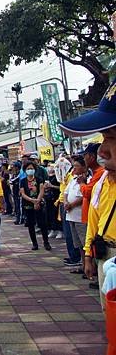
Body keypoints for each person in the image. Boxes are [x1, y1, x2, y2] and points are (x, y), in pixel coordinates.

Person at [59, 82, 116, 307]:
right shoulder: (104, 181)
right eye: (104, 138)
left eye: (111, 137)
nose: (102, 150)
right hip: (105, 254)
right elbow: (95, 219)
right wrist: (89, 255)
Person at [63, 156, 88, 274]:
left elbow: (85, 196)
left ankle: (89, 266)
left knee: (85, 243)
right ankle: (83, 265)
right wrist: (66, 203)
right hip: (71, 215)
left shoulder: (87, 179)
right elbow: (66, 192)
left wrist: (72, 204)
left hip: (80, 215)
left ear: (84, 167)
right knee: (77, 243)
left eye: (77, 166)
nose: (75, 168)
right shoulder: (73, 179)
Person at [20, 162, 51, 251]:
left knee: (43, 224)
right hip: (28, 205)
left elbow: (41, 190)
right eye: (28, 169)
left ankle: (46, 242)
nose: (30, 170)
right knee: (31, 225)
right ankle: (34, 243)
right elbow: (23, 193)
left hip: (39, 203)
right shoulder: (23, 181)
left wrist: (37, 201)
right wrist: (32, 200)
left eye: (31, 168)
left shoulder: (39, 179)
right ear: (25, 170)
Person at [44, 166, 62, 239]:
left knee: (57, 215)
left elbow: (60, 187)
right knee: (50, 214)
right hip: (49, 198)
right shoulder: (48, 177)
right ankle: (53, 229)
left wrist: (52, 186)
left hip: (57, 198)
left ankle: (60, 231)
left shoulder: (59, 177)